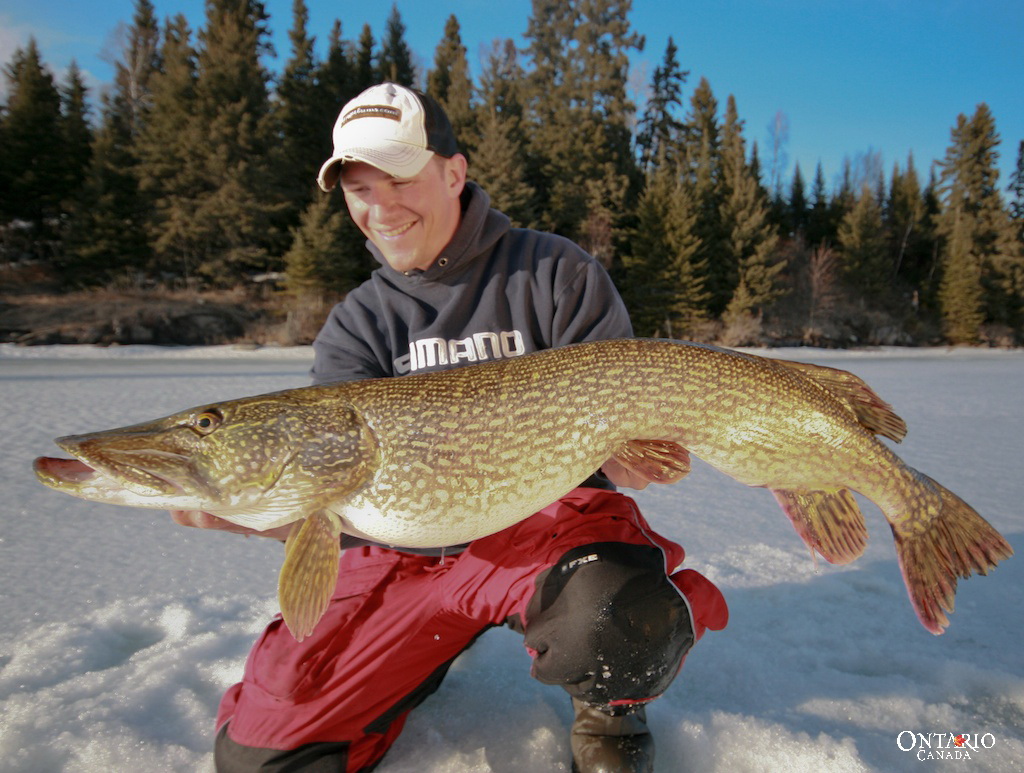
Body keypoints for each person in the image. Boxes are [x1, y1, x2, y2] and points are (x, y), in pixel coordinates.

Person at [174, 82, 728, 773]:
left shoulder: (555, 274)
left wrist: (631, 455)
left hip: (541, 530)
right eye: (358, 187)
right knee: (265, 756)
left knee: (618, 616)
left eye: (398, 177)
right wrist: (271, 512)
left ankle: (609, 708)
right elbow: (344, 502)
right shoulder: (356, 325)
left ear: (454, 172)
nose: (380, 207)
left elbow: (619, 445)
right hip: (406, 554)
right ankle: (421, 651)